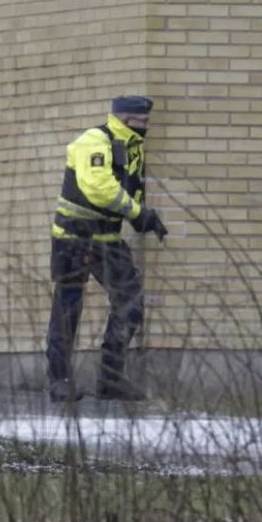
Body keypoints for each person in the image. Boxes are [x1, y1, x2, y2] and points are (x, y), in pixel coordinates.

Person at [45, 95, 168, 404]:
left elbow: (127, 189)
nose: (146, 127)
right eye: (142, 122)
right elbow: (98, 188)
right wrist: (138, 213)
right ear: (126, 119)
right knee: (67, 308)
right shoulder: (94, 140)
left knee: (130, 302)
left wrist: (143, 216)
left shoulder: (131, 147)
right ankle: (59, 380)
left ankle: (110, 380)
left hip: (108, 239)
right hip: (74, 237)